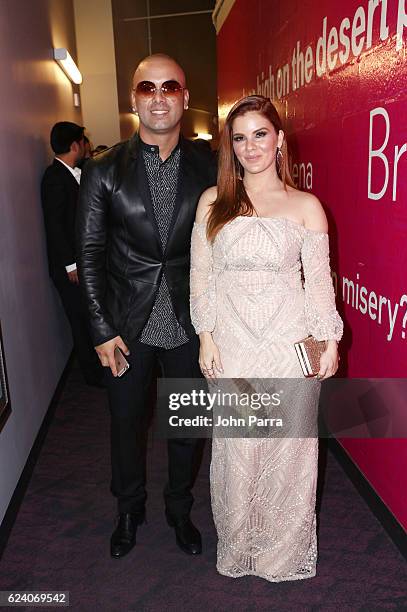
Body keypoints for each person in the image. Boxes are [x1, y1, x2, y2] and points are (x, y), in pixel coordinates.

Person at [190, 95, 343, 582]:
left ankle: (281, 554)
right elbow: (202, 277)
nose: (251, 146)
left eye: (261, 134)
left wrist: (329, 341)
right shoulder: (213, 202)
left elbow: (318, 284)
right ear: (230, 148)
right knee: (237, 451)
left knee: (289, 451)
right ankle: (240, 547)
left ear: (279, 140)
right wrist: (205, 336)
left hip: (287, 345)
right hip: (232, 343)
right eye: (240, 137)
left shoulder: (305, 206)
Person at [76, 54, 216, 559]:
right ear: (133, 98)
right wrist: (99, 328)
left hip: (190, 321)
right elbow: (89, 254)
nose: (159, 96)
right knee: (126, 426)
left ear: (184, 96)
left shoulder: (212, 164)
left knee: (187, 425)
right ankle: (128, 509)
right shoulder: (102, 169)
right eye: (147, 88)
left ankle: (180, 509)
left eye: (170, 86)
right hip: (126, 326)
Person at [41, 122, 103, 387]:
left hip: (79, 263)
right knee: (79, 320)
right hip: (69, 268)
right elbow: (55, 225)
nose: (86, 145)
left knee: (88, 316)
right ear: (76, 144)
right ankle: (93, 375)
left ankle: (98, 367)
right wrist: (70, 265)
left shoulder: (75, 173)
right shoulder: (54, 177)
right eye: (84, 140)